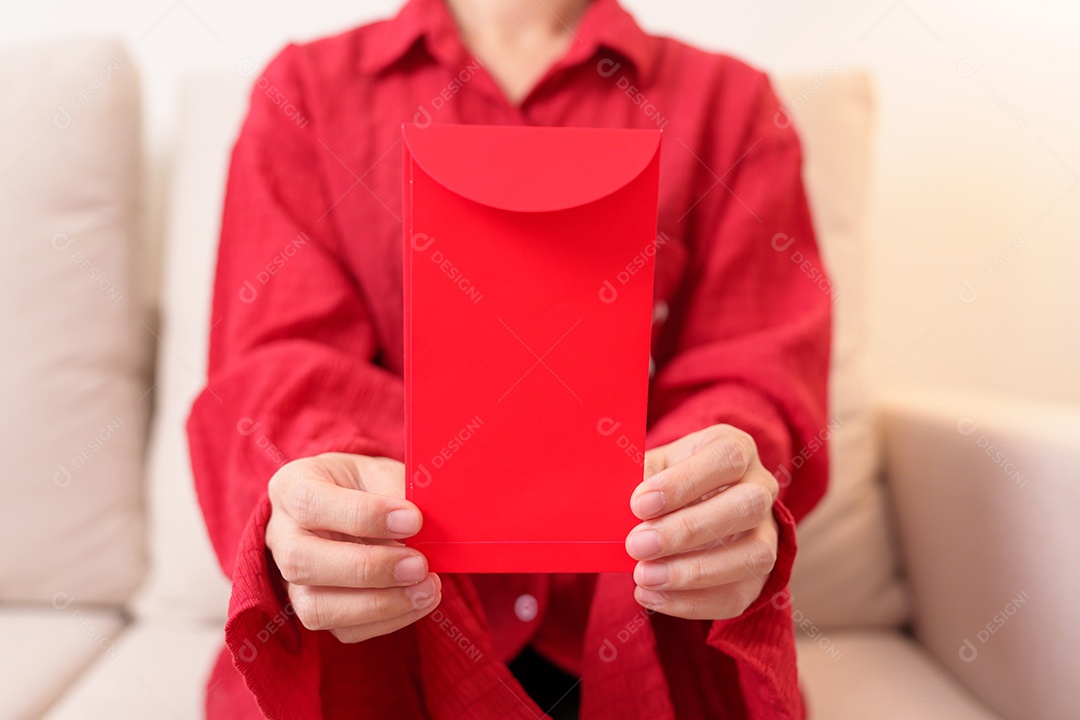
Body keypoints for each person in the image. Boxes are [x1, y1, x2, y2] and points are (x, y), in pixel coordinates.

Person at [187, 0, 832, 717]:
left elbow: (760, 373)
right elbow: (272, 369)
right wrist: (319, 486)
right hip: (381, 642)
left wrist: (715, 483)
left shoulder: (732, 105)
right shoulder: (306, 90)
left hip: (650, 636)